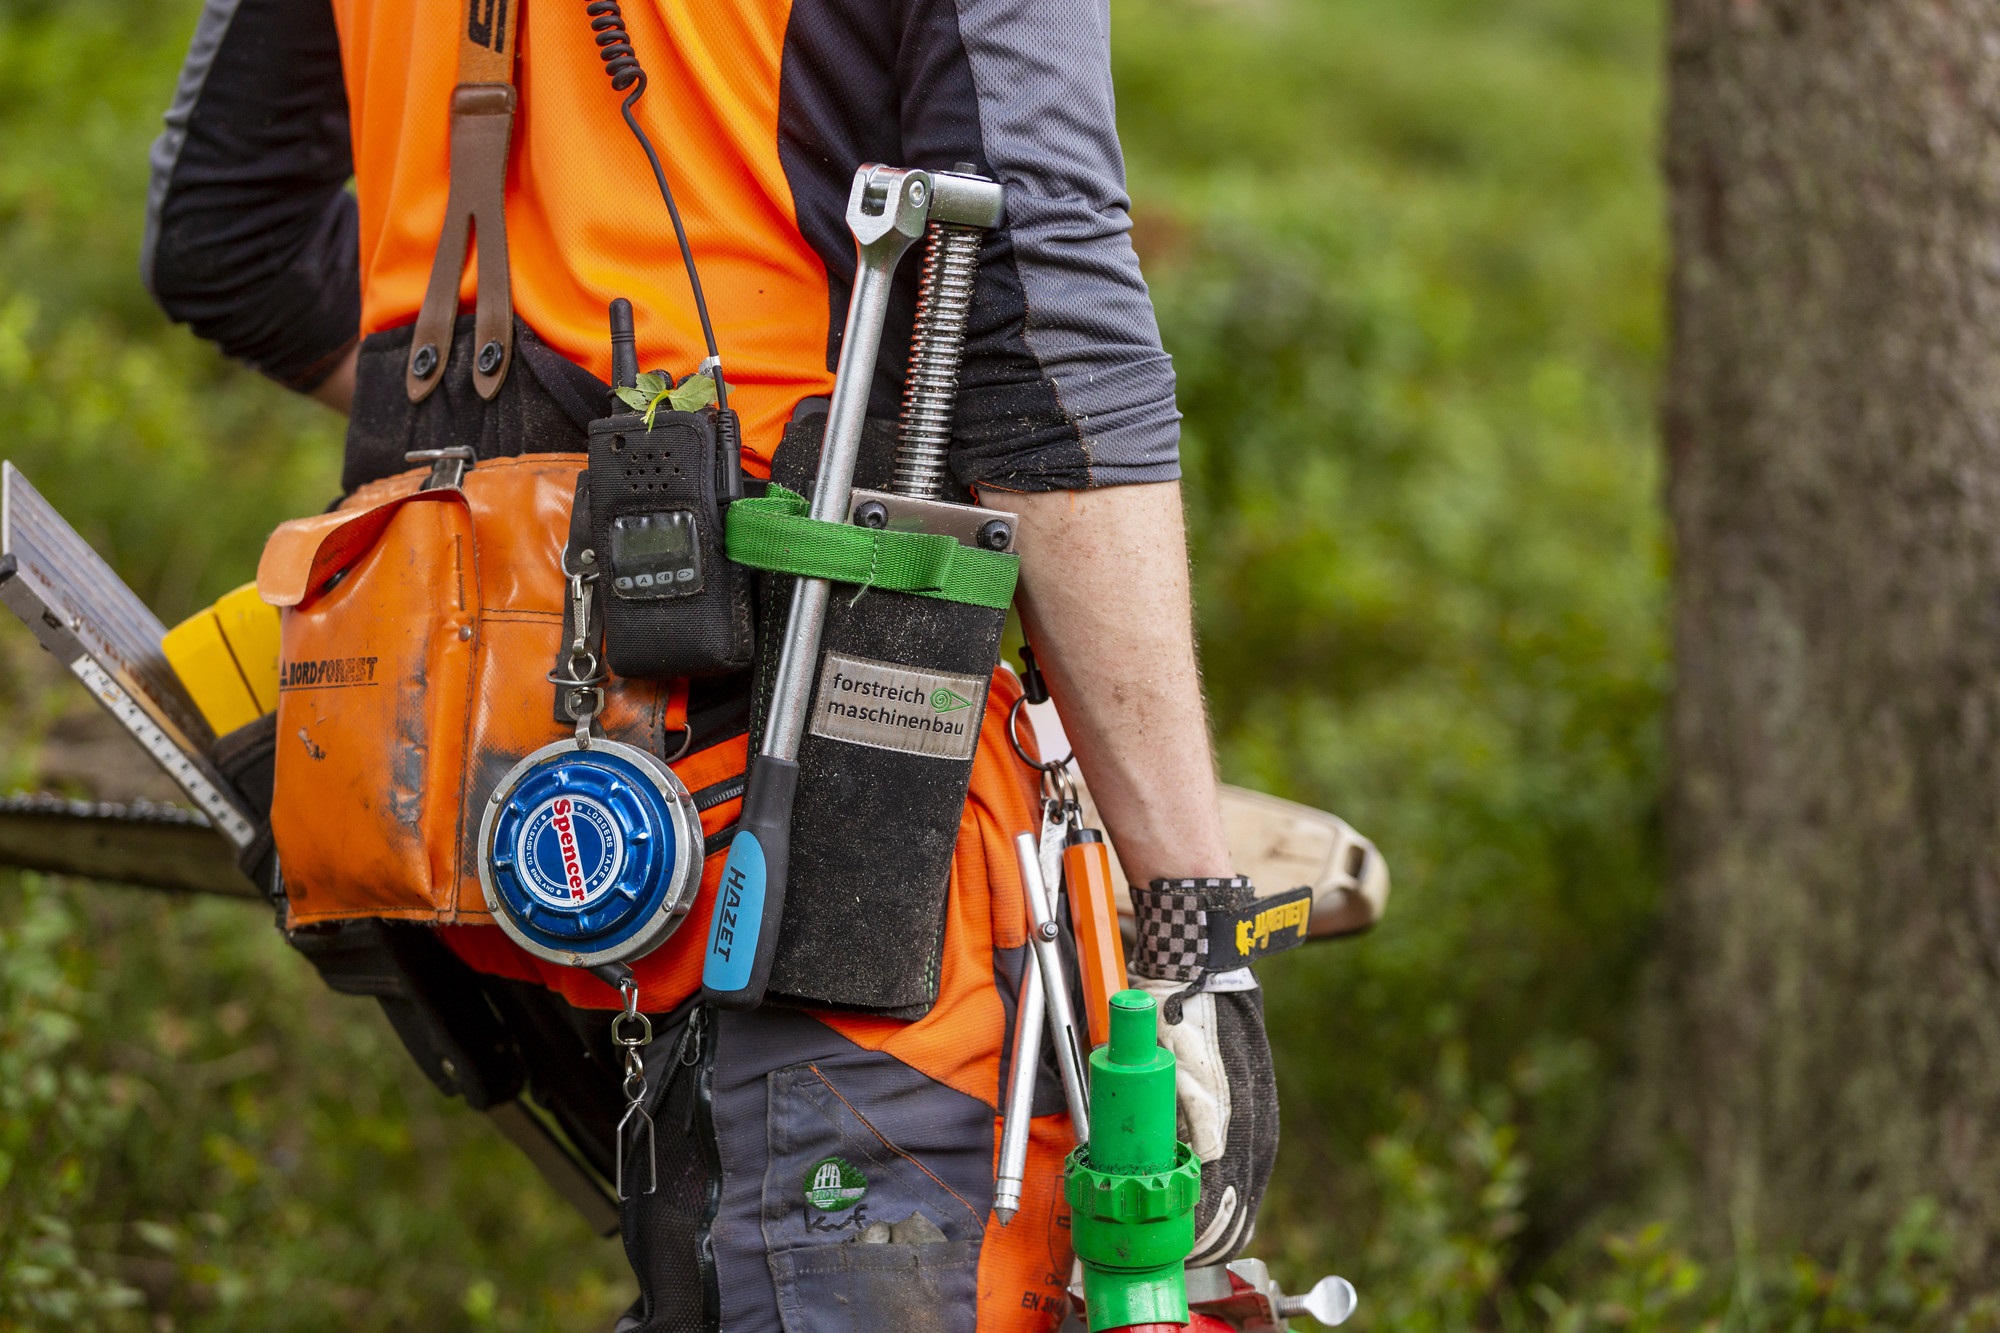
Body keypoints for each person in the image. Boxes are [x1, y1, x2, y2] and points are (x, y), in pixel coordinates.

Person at [145, 0, 1281, 1328]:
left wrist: (512, 474)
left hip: (464, 788)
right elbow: (1048, 338)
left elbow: (225, 243)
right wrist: (1191, 914)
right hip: (827, 812)